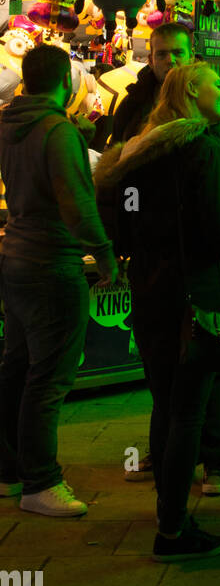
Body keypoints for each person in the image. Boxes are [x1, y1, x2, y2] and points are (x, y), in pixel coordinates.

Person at [98, 21, 220, 496]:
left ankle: (213, 459)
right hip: (160, 267)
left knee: (204, 360)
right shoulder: (135, 106)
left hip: (196, 266)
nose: (169, 60)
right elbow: (116, 184)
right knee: (167, 369)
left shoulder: (217, 113)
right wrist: (122, 242)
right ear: (151, 56)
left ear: (191, 58)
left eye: (177, 53)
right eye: (162, 53)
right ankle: (172, 457)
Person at [94, 63, 220, 562]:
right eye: (215, 86)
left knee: (165, 404)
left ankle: (167, 511)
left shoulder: (139, 154)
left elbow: (123, 226)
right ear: (189, 95)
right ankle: (174, 531)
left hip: (150, 293)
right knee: (187, 414)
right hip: (193, 296)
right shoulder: (203, 147)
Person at [0, 45, 118, 516]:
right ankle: (40, 482)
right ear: (67, 86)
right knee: (47, 379)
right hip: (53, 263)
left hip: (15, 257)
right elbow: (76, 204)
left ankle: (9, 470)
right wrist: (105, 252)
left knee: (17, 367)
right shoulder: (57, 130)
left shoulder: (8, 125)